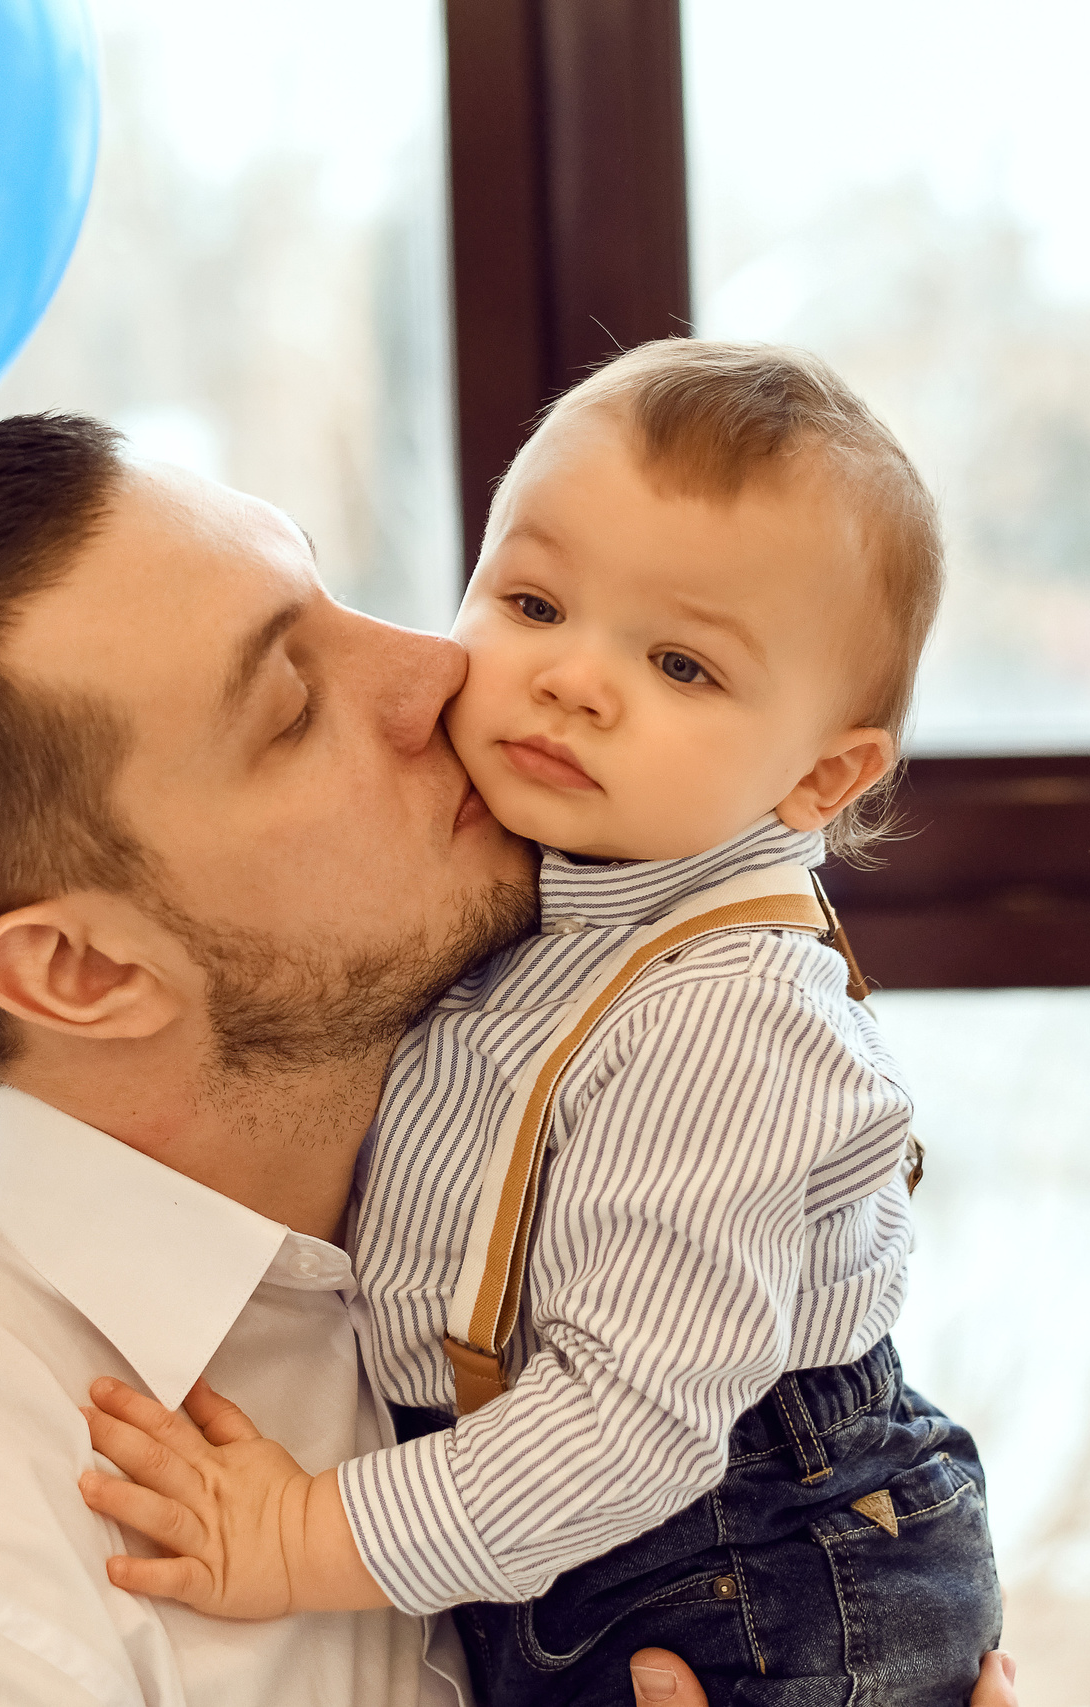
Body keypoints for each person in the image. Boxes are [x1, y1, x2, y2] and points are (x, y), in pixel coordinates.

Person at [0, 409, 1024, 1707]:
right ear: (88, 971)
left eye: (338, 595)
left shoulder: (589, 1086)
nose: (439, 667)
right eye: (290, 703)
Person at [75, 342, 1001, 1704]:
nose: (573, 678)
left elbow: (631, 1425)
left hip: (747, 1562)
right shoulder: (542, 893)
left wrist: (294, 1537)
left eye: (681, 664)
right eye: (531, 599)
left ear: (821, 775)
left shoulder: (727, 1023)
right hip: (579, 1532)